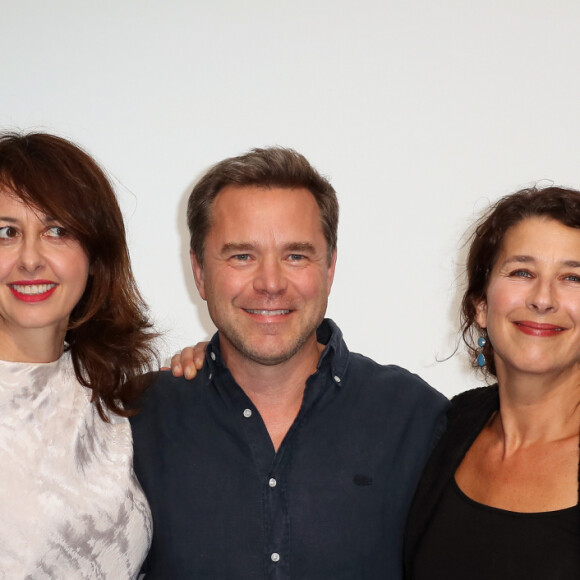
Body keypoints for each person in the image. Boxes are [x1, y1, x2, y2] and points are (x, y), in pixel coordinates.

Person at [131, 146, 449, 579]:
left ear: (330, 268)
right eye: (242, 255)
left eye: (296, 255)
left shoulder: (416, 417)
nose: (271, 283)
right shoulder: (136, 419)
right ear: (200, 273)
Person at [0, 132, 156, 577]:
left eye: (57, 231)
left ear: (95, 253)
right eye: (5, 232)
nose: (30, 259)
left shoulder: (108, 394)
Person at [404, 186, 580, 579]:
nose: (543, 298)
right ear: (480, 305)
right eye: (522, 272)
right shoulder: (445, 430)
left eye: (572, 277)